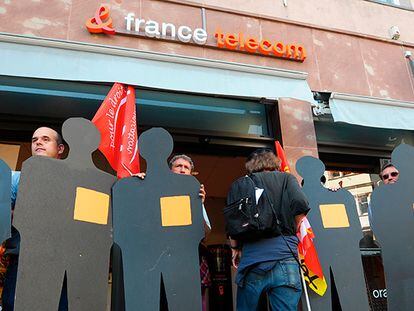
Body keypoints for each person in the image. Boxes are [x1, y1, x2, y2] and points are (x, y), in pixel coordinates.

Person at [229, 148, 309, 311]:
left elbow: (233, 223)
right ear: (274, 163)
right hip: (286, 257)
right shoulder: (287, 178)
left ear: (250, 165)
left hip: (252, 260)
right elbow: (301, 204)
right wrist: (293, 225)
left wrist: (235, 248)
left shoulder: (242, 184)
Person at [1, 127, 67, 311]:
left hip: (61, 268)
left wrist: (132, 182)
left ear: (60, 149)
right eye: (34, 139)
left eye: (46, 139)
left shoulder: (74, 182)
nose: (38, 142)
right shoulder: (15, 180)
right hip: (22, 265)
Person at [368, 162, 399, 228]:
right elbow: (375, 225)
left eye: (394, 174)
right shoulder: (377, 202)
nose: (389, 178)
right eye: (385, 177)